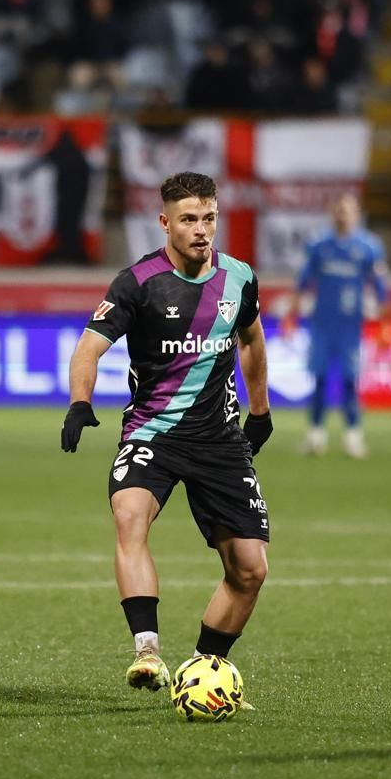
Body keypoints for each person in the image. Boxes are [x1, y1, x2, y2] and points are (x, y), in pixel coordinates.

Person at [62, 171, 273, 693]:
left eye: (209, 219)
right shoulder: (138, 282)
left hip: (219, 438)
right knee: (129, 515)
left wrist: (261, 411)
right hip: (152, 433)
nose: (201, 230)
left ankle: (203, 667)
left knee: (250, 569)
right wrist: (79, 403)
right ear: (165, 223)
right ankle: (147, 652)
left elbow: (251, 340)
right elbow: (89, 347)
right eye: (189, 220)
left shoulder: (239, 278)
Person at [290, 192, 388, 458]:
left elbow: (379, 286)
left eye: (348, 210)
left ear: (357, 214)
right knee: (319, 379)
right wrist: (291, 315)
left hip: (351, 326)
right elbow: (303, 282)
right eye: (339, 210)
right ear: (332, 213)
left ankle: (353, 437)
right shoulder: (319, 245)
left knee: (349, 381)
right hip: (322, 322)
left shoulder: (368, 247)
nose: (343, 215)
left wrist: (385, 322)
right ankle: (315, 436)